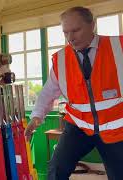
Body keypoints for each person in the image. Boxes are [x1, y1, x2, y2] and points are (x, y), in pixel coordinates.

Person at [24, 6, 123, 180]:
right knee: (56, 169)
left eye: (76, 30)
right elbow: (48, 92)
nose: (70, 37)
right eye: (65, 32)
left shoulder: (119, 47)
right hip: (79, 126)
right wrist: (36, 116)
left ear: (92, 25)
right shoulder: (60, 59)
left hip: (115, 127)